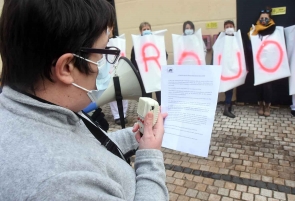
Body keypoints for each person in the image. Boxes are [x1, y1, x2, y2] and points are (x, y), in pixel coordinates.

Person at [0, 1, 169, 200]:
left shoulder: (44, 107)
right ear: (67, 67)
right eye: (105, 51)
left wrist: (139, 137)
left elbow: (89, 149)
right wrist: (150, 158)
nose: (109, 64)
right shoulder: (60, 185)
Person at [130, 21, 168, 105]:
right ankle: (149, 113)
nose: (146, 30)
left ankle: (162, 111)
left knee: (160, 94)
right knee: (147, 97)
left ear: (151, 30)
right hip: (144, 75)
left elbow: (164, 55)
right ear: (140, 31)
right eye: (144, 29)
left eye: (148, 29)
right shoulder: (137, 45)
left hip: (157, 73)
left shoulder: (157, 42)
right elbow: (133, 60)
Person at [248, 8, 276, 117]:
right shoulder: (253, 30)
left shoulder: (275, 30)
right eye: (262, 18)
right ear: (258, 19)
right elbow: (249, 45)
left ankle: (267, 106)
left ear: (270, 19)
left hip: (270, 63)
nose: (263, 20)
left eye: (266, 18)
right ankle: (260, 105)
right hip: (257, 62)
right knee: (259, 85)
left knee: (268, 86)